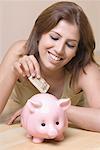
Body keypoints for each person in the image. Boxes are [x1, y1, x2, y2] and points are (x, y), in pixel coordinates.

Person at [0, 1, 100, 132]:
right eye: (54, 37)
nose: (59, 50)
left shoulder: (84, 68)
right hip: (20, 129)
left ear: (77, 50)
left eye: (70, 45)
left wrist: (54, 106)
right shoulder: (19, 53)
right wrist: (13, 72)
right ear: (39, 34)